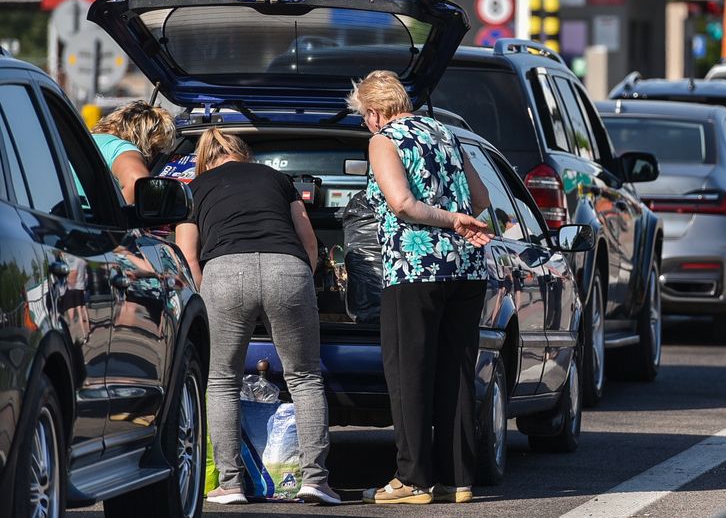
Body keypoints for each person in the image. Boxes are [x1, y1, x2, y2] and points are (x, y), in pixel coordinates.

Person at [347, 71, 492, 505]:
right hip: (465, 267)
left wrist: (447, 220)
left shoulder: (384, 140)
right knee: (456, 372)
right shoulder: (446, 133)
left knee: (409, 373)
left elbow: (401, 203)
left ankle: (412, 479)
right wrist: (457, 217)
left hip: (414, 269)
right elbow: (481, 198)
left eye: (363, 117)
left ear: (374, 113)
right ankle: (457, 479)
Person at [174, 129, 339, 506]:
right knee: (305, 377)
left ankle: (231, 484)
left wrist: (206, 295)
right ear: (242, 154)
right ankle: (315, 480)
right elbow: (308, 239)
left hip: (225, 271)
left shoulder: (194, 187)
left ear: (205, 159)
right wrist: (301, 280)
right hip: (287, 268)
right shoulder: (276, 178)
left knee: (221, 381)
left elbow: (187, 253)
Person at [89, 100, 176, 203]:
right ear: (146, 140)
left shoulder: (85, 140)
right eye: (155, 149)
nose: (152, 158)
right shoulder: (121, 147)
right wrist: (115, 216)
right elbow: (137, 181)